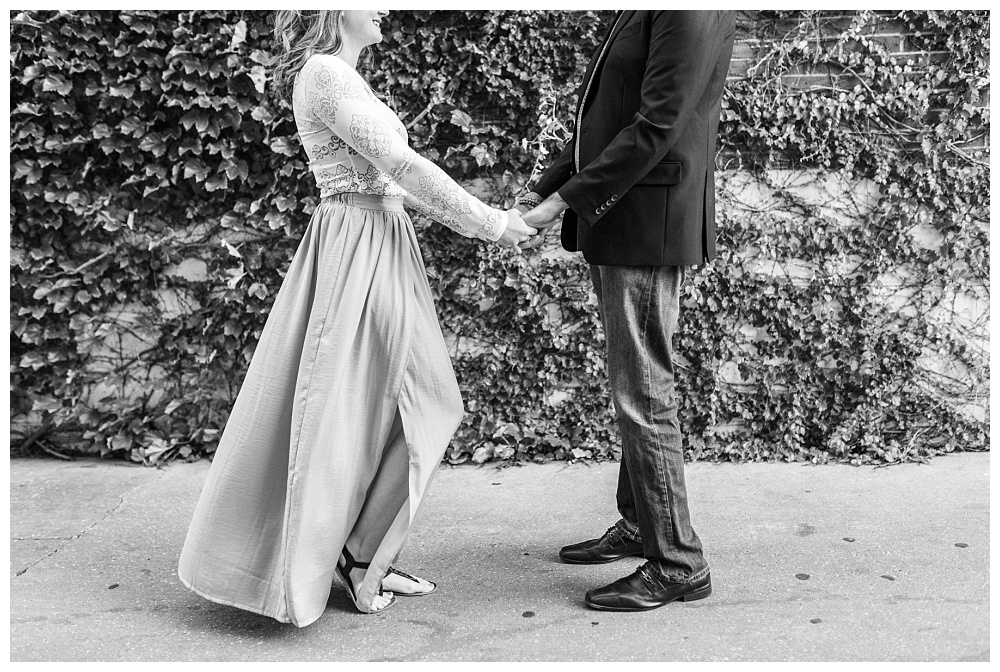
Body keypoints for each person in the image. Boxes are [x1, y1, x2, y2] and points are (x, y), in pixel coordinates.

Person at [178, 9, 537, 626]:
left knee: (420, 401)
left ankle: (361, 550)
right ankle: (328, 559)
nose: (388, 8)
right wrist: (491, 223)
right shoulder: (323, 74)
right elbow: (400, 165)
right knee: (343, 404)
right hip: (356, 238)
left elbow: (393, 170)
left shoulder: (344, 75)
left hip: (385, 237)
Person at [517, 10, 736, 611]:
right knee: (638, 384)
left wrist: (560, 201)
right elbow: (603, 120)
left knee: (642, 392)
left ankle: (678, 563)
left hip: (647, 221)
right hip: (628, 218)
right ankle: (643, 525)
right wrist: (547, 186)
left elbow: (657, 122)